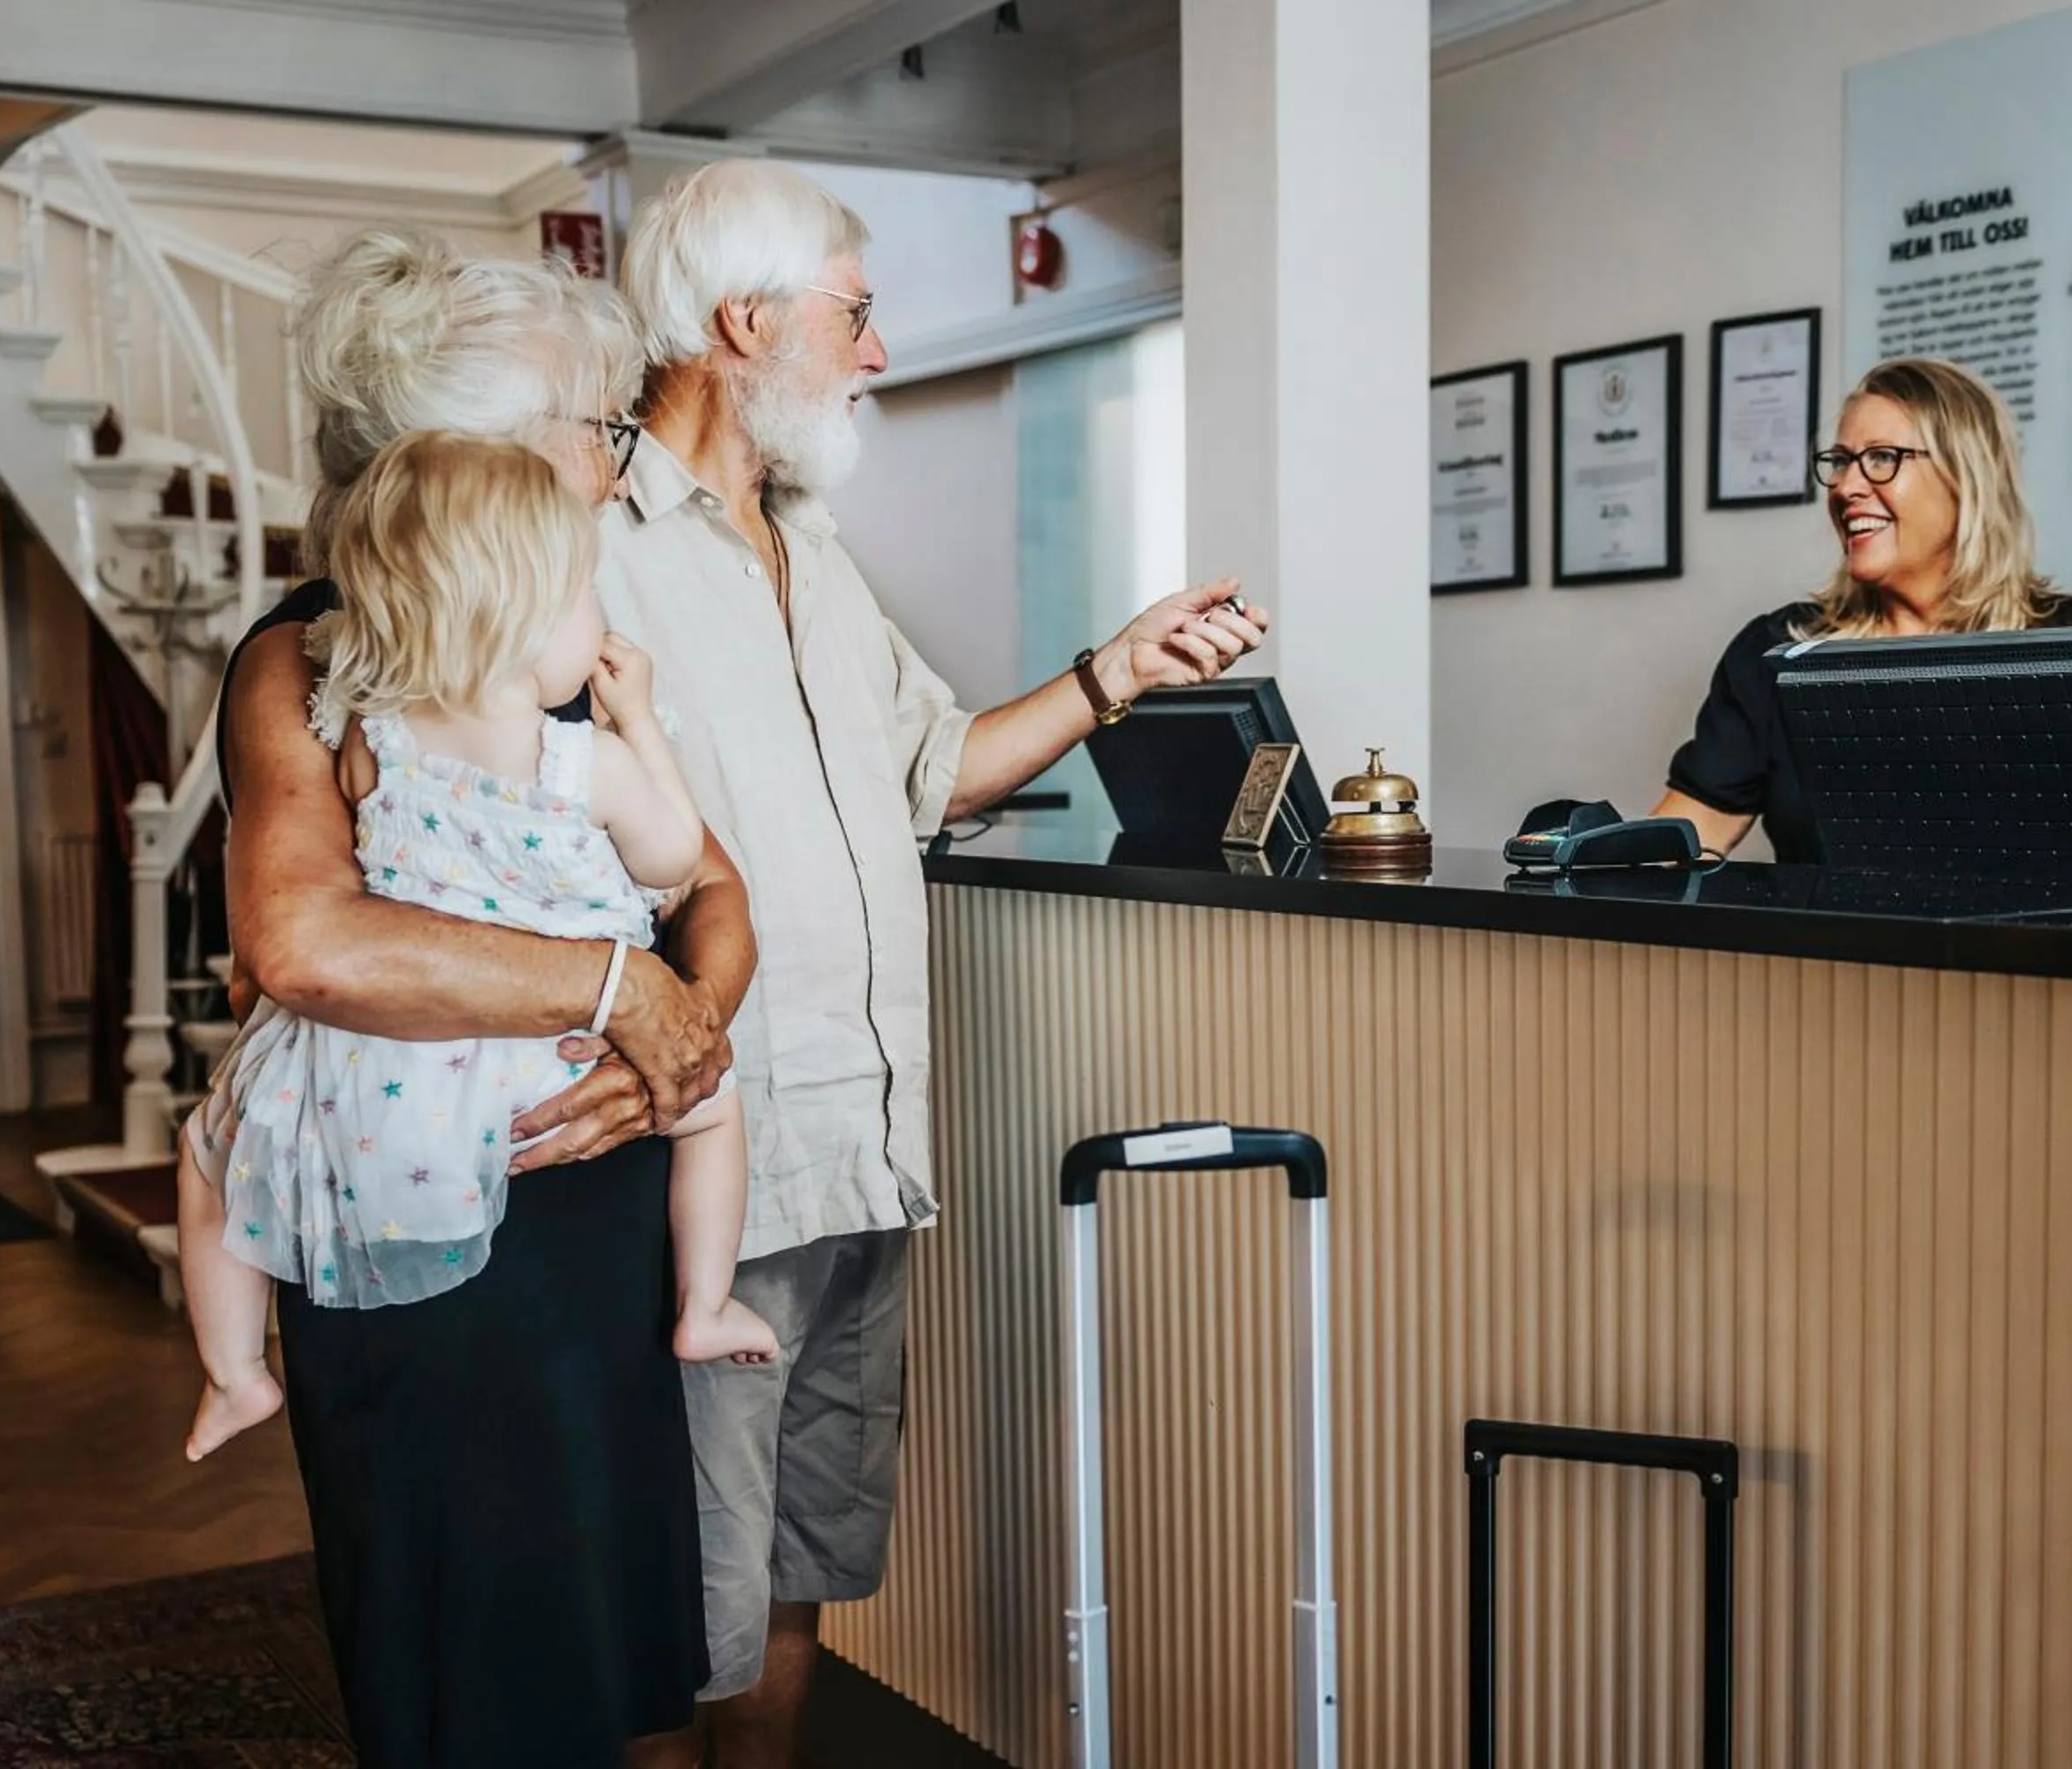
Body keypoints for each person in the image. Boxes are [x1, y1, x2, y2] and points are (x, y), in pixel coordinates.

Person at [602, 159, 1268, 1769]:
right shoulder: (584, 538)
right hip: (710, 1160)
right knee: (667, 1600)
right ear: (742, 322)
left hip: (868, 1154)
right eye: (858, 314)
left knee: (800, 1573)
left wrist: (1117, 672)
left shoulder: (812, 548)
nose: (878, 352)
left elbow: (940, 766)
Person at [217, 230, 754, 1764]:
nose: (611, 457)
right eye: (593, 425)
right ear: (475, 449)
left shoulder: (562, 657)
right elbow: (310, 936)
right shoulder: (313, 655)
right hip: (422, 1229)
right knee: (471, 1654)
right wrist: (610, 986)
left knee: (592, 1639)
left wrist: (674, 1043)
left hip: (594, 1214)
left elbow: (712, 892)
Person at [176, 432, 779, 1466]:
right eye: (585, 591)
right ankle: (708, 1302)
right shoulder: (581, 764)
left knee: (208, 1152)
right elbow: (678, 851)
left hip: (378, 1070)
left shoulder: (371, 737)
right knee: (716, 1107)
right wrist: (643, 725)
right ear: (523, 622)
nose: (598, 618)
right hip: (543, 1064)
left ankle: (235, 1370)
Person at [1654, 356, 2072, 861]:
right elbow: (1686, 837)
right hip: (1828, 943)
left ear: (1965, 476)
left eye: (1881, 458)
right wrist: (1577, 858)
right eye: (1840, 462)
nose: (1847, 487)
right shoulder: (1778, 653)